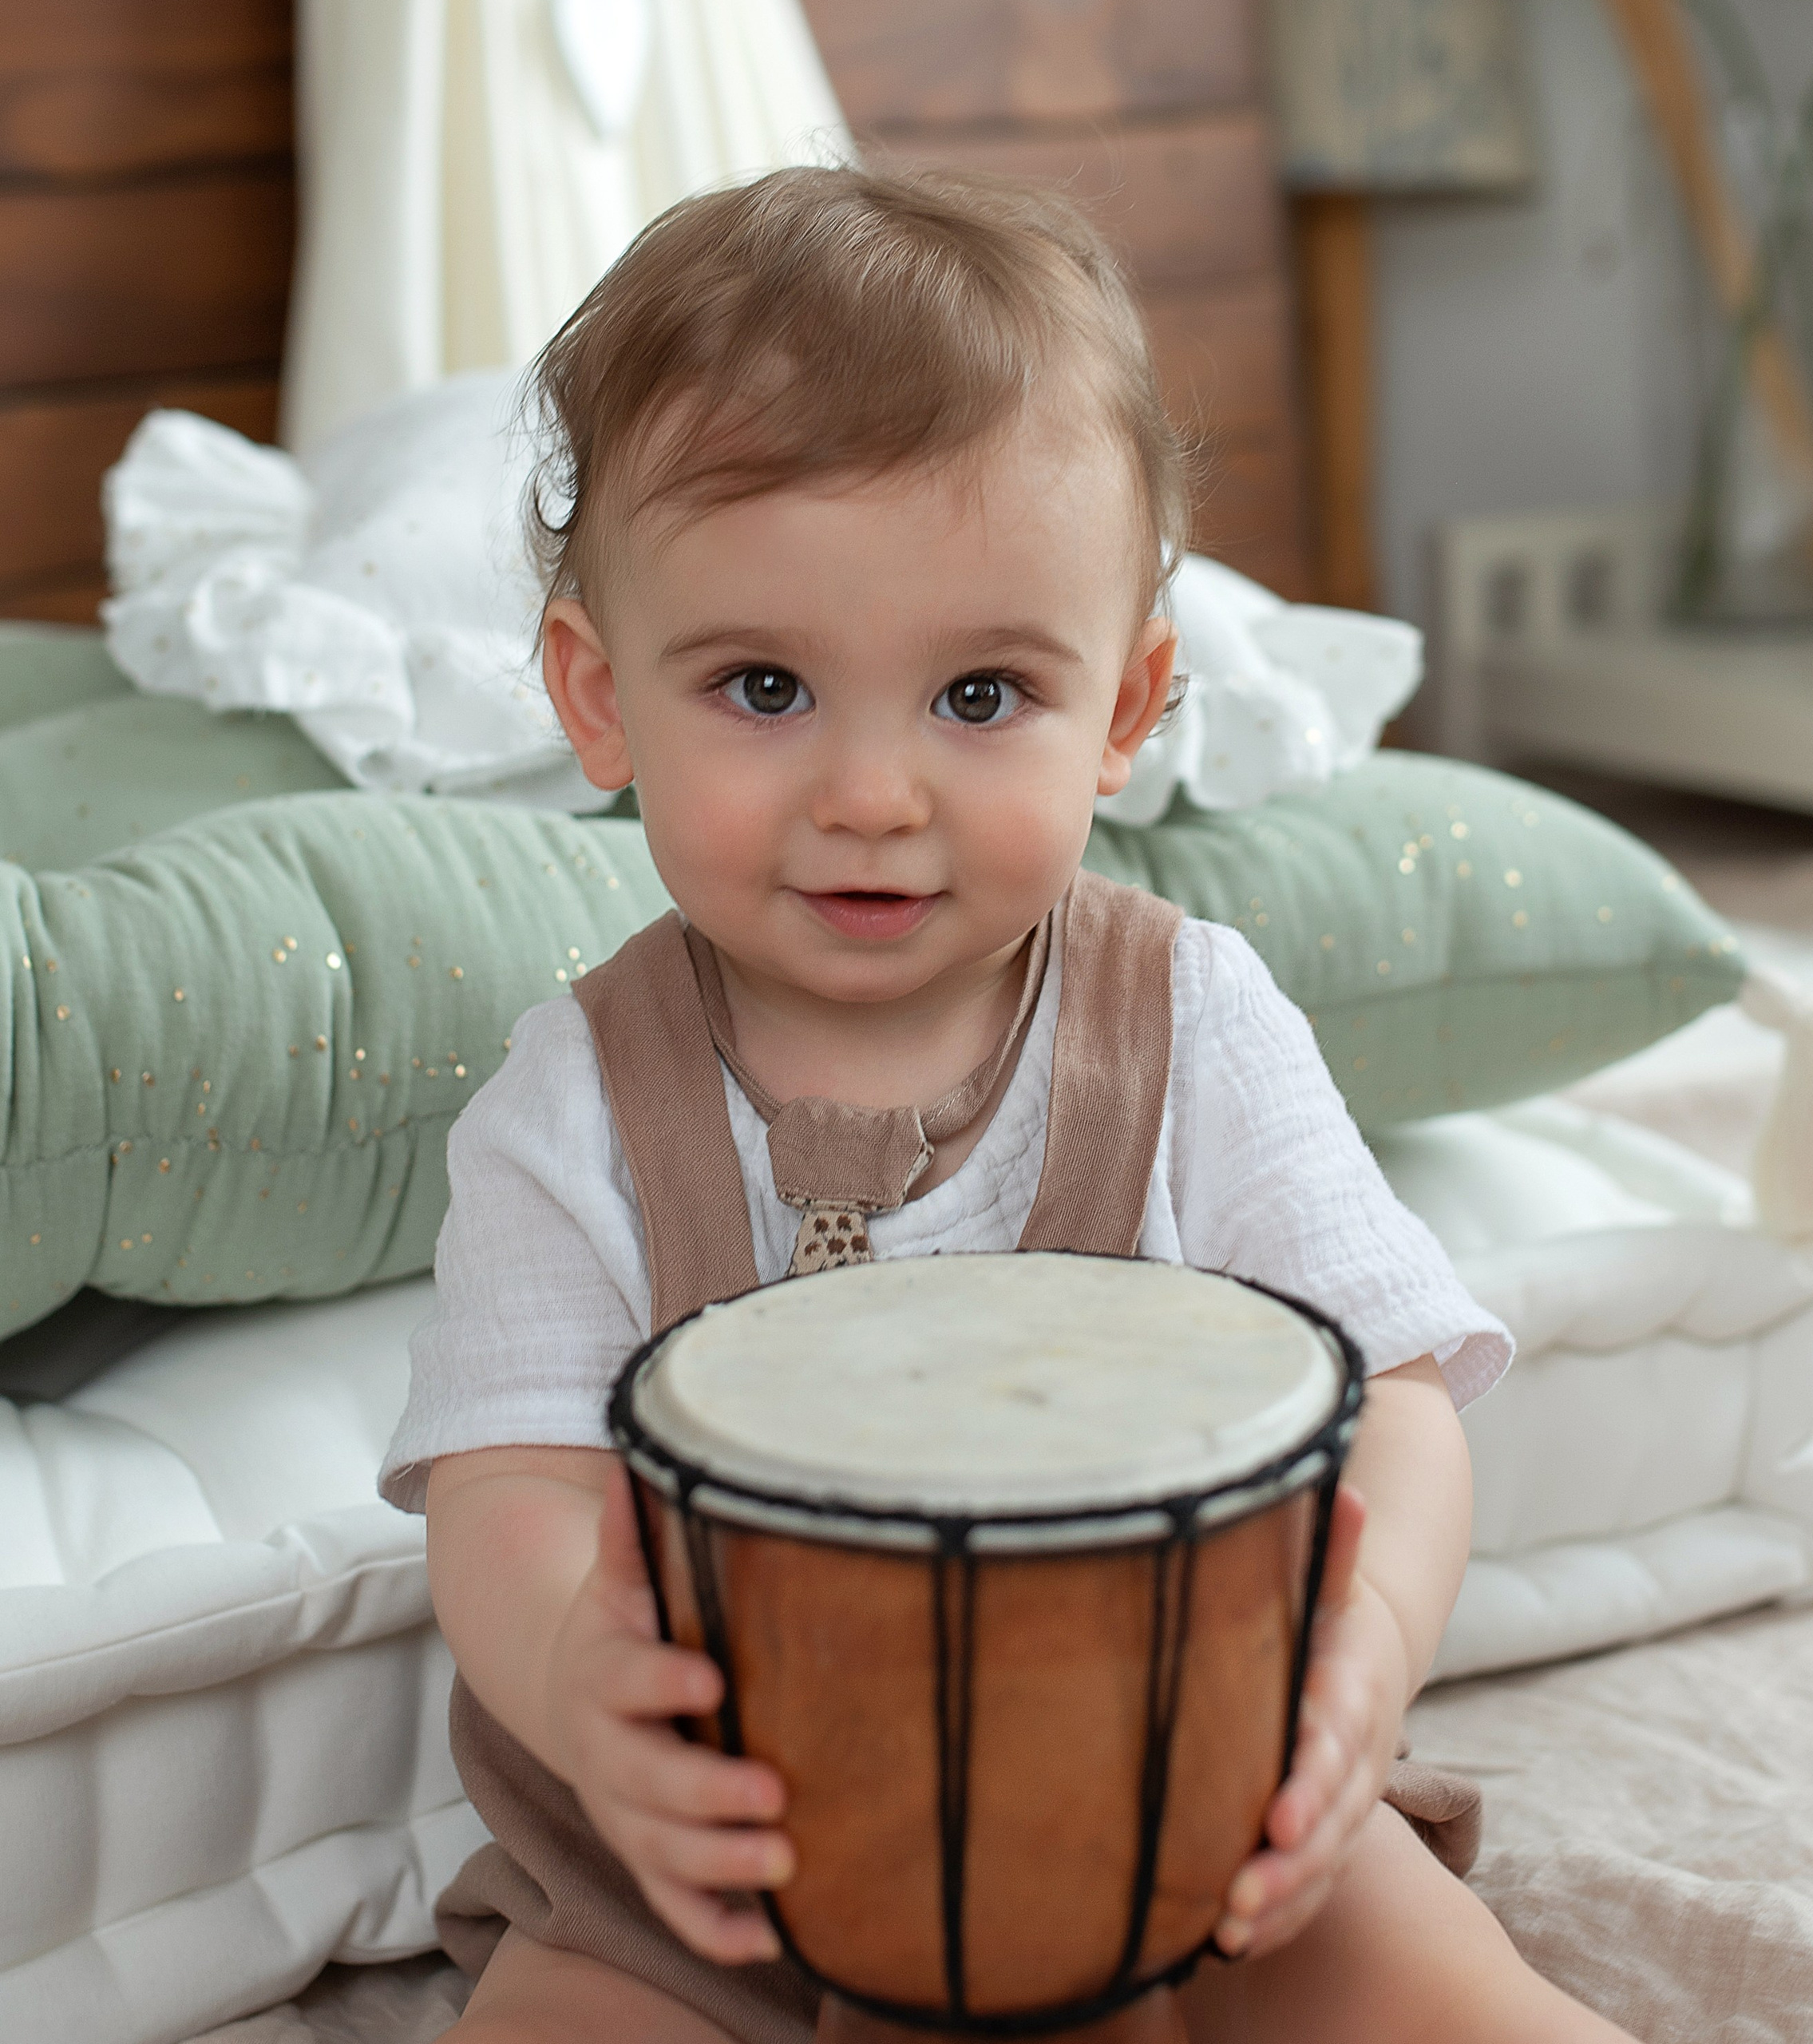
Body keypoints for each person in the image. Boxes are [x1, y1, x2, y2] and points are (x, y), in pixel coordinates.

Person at [382, 164, 1636, 2044]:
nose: (873, 789)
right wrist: (584, 1676)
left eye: (978, 693)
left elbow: (1389, 1394)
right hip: (709, 1861)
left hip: (1169, 1805)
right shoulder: (577, 1097)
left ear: (1124, 710)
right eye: (763, 685)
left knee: (1429, 1983)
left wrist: (1357, 1655)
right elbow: (513, 1490)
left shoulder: (1184, 1021)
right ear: (600, 696)